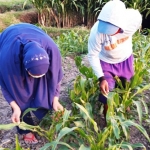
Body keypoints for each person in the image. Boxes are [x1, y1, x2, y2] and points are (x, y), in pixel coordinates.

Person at [0, 23, 64, 144]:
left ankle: (46, 114)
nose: (37, 78)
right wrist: (15, 107)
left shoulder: (52, 50)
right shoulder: (7, 60)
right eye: (33, 75)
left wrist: (55, 99)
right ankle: (25, 129)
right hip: (10, 38)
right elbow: (5, 85)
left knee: (46, 86)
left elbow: (57, 77)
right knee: (18, 91)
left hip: (34, 34)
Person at [88, 0, 142, 122]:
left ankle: (124, 105)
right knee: (106, 92)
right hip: (105, 62)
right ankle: (108, 120)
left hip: (125, 59)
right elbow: (92, 55)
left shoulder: (134, 19)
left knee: (125, 86)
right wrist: (101, 79)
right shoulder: (96, 32)